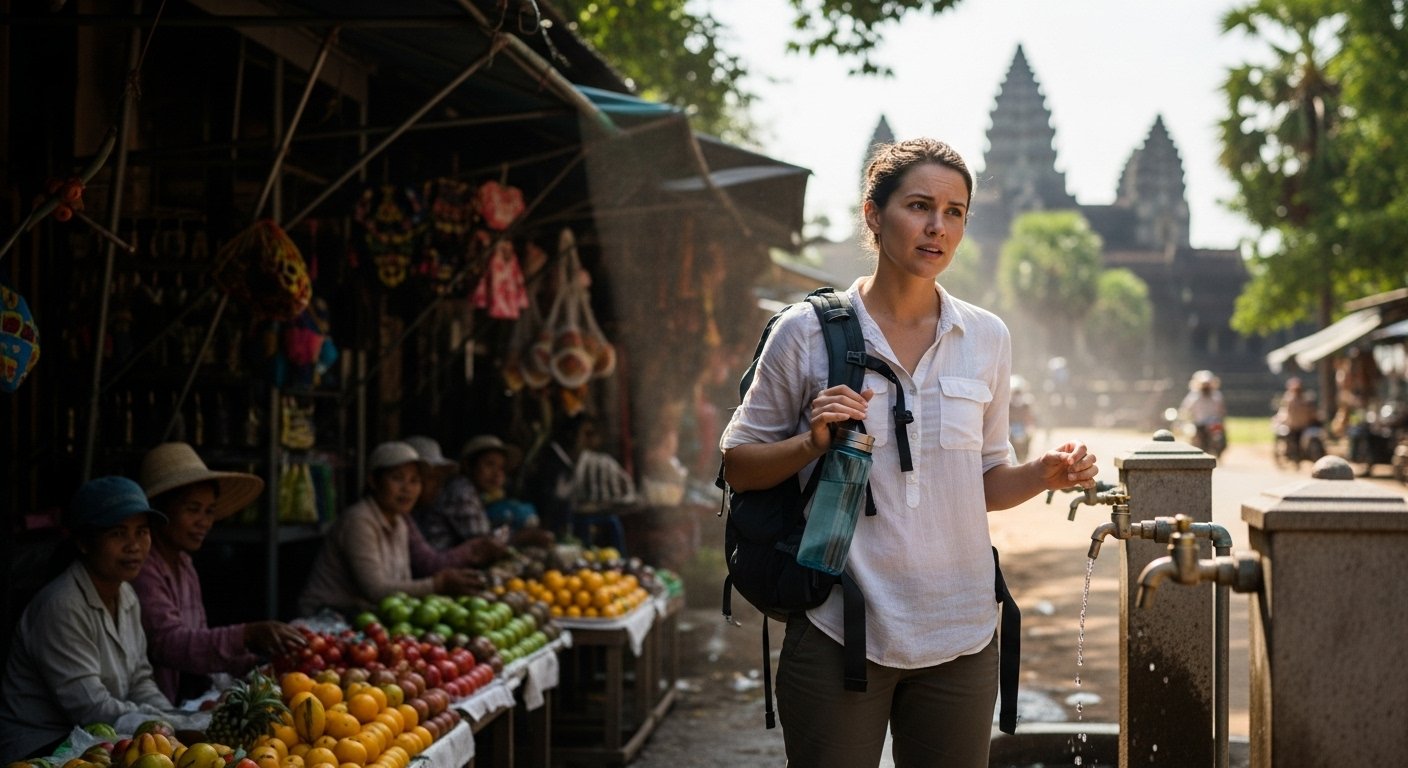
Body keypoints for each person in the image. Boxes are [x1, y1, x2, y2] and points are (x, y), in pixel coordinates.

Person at [719, 138, 1099, 767]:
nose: (937, 227)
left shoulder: (986, 337)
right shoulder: (805, 333)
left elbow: (983, 479)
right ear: (873, 213)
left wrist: (1043, 473)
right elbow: (738, 465)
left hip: (964, 632)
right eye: (919, 206)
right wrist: (811, 443)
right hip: (837, 619)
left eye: (955, 212)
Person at [0, 477, 188, 761]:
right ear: (84, 543)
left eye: (142, 532)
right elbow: (92, 709)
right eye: (118, 533)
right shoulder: (61, 606)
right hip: (41, 748)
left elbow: (140, 680)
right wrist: (167, 726)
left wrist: (172, 720)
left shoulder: (126, 595)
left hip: (97, 736)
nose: (134, 545)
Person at [132, 442, 307, 703]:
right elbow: (168, 643)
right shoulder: (143, 569)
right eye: (192, 509)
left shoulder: (184, 564)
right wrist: (245, 635)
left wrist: (257, 662)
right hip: (156, 709)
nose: (203, 522)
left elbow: (199, 639)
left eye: (209, 511)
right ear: (159, 511)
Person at [298, 441, 486, 617]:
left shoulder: (400, 523)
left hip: (366, 616)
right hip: (326, 617)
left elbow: (401, 584)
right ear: (373, 481)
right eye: (397, 478)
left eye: (415, 481)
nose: (407, 489)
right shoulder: (359, 520)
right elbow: (376, 590)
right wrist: (437, 585)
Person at [461, 434, 555, 549]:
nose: (497, 474)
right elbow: (482, 544)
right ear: (468, 466)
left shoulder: (479, 496)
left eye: (501, 468)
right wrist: (523, 537)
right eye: (489, 464)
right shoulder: (463, 492)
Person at [1179, 369, 1227, 452]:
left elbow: (1221, 411)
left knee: (1219, 437)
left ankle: (1217, 449)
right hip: (1199, 424)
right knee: (1194, 437)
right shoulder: (1194, 396)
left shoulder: (1216, 395)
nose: (1206, 386)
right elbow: (1185, 409)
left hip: (1214, 423)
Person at [1272, 378, 1318, 463]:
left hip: (1296, 427)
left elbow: (1285, 414)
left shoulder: (1291, 400)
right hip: (1299, 427)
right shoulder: (1303, 400)